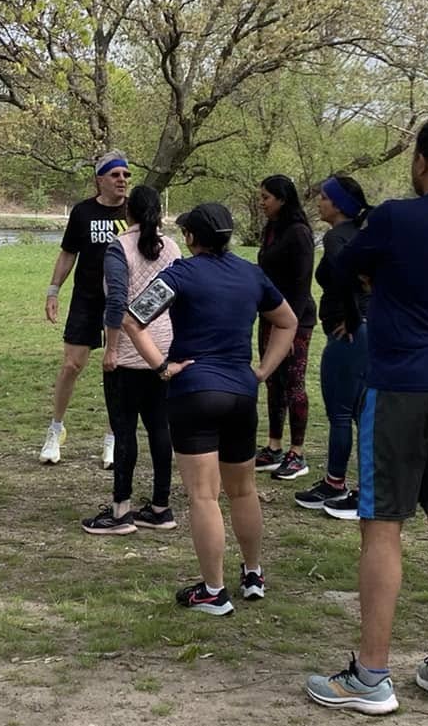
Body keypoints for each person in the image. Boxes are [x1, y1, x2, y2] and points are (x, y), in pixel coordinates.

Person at [304, 118, 428, 715]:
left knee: (383, 522)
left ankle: (372, 674)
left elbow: (341, 266)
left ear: (420, 161)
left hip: (402, 383)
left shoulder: (395, 216)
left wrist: (380, 275)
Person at [120, 201, 297, 615]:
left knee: (204, 495)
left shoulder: (181, 272)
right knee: (243, 490)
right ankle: (253, 573)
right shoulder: (251, 273)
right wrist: (262, 371)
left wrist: (162, 366)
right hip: (241, 392)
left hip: (194, 391)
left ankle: (214, 590)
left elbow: (133, 319)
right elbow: (288, 321)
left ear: (193, 237)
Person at [82, 183, 178, 535]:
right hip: (163, 351)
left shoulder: (118, 248)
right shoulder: (171, 248)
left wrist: (110, 348)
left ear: (128, 212)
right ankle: (160, 506)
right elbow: (178, 297)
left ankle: (121, 510)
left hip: (127, 354)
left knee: (124, 431)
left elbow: (116, 300)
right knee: (159, 428)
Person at [39, 152, 131, 465]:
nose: (122, 180)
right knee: (71, 365)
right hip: (86, 299)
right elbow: (68, 254)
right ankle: (55, 430)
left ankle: (112, 438)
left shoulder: (135, 212)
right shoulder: (83, 212)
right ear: (100, 179)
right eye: (115, 175)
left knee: (118, 369)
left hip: (122, 301)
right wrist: (53, 291)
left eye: (125, 175)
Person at [295, 174, 372, 519]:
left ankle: (336, 483)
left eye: (324, 197)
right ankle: (358, 485)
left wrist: (355, 317)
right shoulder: (364, 234)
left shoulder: (338, 237)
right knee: (362, 413)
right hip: (370, 333)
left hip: (350, 336)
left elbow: (347, 274)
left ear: (339, 205)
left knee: (342, 413)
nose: (319, 203)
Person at [253, 174, 317, 480]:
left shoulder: (299, 233)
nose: (262, 202)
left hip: (295, 320)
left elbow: (303, 283)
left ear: (282, 199)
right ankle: (273, 446)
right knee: (272, 380)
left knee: (294, 383)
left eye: (266, 197)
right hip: (268, 316)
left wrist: (290, 329)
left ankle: (297, 452)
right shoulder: (271, 230)